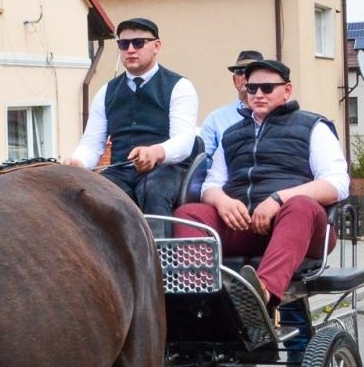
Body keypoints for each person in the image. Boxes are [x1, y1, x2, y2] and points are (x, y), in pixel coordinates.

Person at [173, 58, 349, 311]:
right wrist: (222, 201)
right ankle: (199, 298)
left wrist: (278, 199)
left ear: (287, 90)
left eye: (267, 88)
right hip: (244, 224)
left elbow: (337, 183)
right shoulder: (232, 135)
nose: (257, 94)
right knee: (188, 214)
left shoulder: (313, 127)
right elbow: (211, 184)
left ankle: (260, 295)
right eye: (251, 88)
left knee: (299, 205)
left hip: (300, 227)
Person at [65, 18, 199, 217]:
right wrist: (79, 162)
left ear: (157, 46)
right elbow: (92, 143)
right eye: (123, 44)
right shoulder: (106, 92)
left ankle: (160, 248)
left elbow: (184, 141)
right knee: (91, 195)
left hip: (167, 170)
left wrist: (155, 152)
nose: (130, 49)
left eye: (138, 43)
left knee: (154, 191)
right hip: (120, 171)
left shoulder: (179, 87)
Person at [199, 49, 263, 161]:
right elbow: (203, 161)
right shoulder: (216, 118)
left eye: (251, 71)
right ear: (234, 80)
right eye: (240, 72)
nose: (245, 76)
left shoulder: (276, 116)